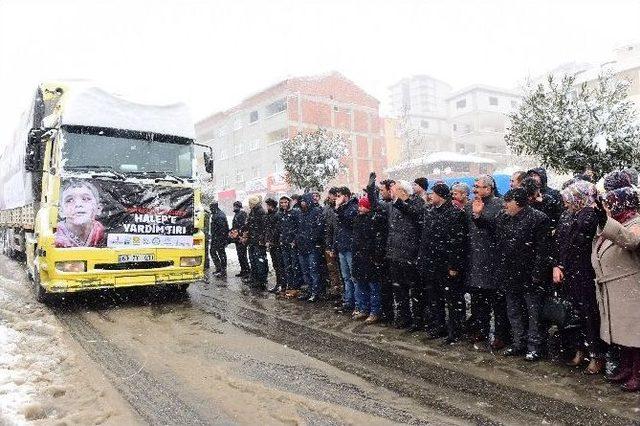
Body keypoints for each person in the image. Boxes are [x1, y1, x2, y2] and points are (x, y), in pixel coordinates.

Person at [473, 188, 551, 361]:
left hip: (530, 274)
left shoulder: (538, 218)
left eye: (507, 202)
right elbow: (490, 226)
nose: (504, 206)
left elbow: (543, 249)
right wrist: (478, 216)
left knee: (533, 314)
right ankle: (518, 343)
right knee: (513, 311)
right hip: (508, 273)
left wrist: (538, 273)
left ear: (518, 203)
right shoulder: (504, 217)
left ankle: (534, 347)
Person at [592, 187, 640, 391]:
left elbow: (632, 241)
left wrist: (607, 222)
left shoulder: (636, 222)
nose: (608, 206)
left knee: (635, 332)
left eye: (611, 203)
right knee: (622, 332)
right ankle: (627, 368)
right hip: (614, 286)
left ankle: (637, 373)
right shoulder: (619, 222)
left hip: (630, 286)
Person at [553, 181, 604, 374]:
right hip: (570, 271)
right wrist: (558, 264)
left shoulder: (590, 215)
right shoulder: (568, 215)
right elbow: (560, 242)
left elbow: (581, 241)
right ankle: (580, 349)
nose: (567, 202)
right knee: (575, 314)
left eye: (570, 198)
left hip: (585, 271)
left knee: (589, 314)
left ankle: (596, 354)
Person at [464, 175, 510, 350]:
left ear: (489, 189)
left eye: (479, 186)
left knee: (498, 304)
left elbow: (497, 229)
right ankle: (481, 330)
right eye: (474, 186)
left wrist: (479, 217)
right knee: (478, 302)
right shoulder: (469, 206)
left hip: (494, 261)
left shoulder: (499, 205)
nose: (475, 189)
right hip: (475, 260)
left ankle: (500, 335)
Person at [418, 183, 468, 343]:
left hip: (446, 265)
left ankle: (455, 331)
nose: (430, 196)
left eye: (432, 194)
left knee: (452, 300)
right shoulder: (431, 212)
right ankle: (438, 327)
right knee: (435, 299)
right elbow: (426, 239)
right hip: (432, 263)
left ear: (440, 195)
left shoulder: (454, 213)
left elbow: (457, 242)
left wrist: (454, 266)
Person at [386, 180, 423, 329]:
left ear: (405, 192)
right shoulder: (394, 205)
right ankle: (403, 317)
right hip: (395, 253)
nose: (394, 193)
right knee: (399, 289)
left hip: (409, 254)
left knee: (414, 289)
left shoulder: (416, 202)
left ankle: (418, 319)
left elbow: (414, 213)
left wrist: (403, 200)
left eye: (397, 191)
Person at [351, 195, 387, 324]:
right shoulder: (358, 219)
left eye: (362, 206)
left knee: (373, 286)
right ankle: (364, 308)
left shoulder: (374, 220)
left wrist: (375, 255)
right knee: (361, 285)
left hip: (370, 258)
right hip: (360, 257)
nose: (359, 208)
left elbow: (377, 240)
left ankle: (375, 311)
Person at [366, 174, 395, 324]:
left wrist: (371, 189)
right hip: (382, 250)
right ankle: (387, 313)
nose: (381, 192)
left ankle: (391, 315)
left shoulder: (392, 206)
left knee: (391, 286)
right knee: (385, 285)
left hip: (390, 251)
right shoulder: (385, 205)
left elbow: (374, 203)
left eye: (383, 190)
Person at [55, 180, 105, 248]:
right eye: (70, 200)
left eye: (86, 199)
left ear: (98, 209)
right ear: (60, 211)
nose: (78, 204)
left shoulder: (101, 232)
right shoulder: (53, 237)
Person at [295, 193, 325, 302]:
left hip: (312, 246)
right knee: (305, 271)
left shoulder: (316, 211)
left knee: (314, 271)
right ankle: (310, 290)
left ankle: (315, 292)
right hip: (302, 246)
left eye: (304, 201)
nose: (303, 203)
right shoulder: (300, 213)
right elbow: (298, 229)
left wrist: (314, 239)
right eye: (301, 201)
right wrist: (298, 239)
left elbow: (319, 228)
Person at [334, 187, 359, 314]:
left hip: (350, 246)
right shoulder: (342, 208)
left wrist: (338, 208)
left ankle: (357, 303)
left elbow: (348, 222)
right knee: (346, 277)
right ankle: (349, 301)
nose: (337, 198)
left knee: (354, 277)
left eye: (339, 195)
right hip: (342, 246)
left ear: (346, 196)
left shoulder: (353, 207)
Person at [278, 196, 303, 298]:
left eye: (285, 202)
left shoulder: (295, 212)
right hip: (284, 243)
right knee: (287, 266)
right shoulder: (281, 214)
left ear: (289, 202)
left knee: (294, 266)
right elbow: (281, 228)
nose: (283, 204)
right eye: (282, 203)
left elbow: (299, 227)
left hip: (292, 243)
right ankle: (290, 285)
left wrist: (294, 240)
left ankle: (296, 287)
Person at [242, 195, 268, 288]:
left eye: (250, 203)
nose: (248, 205)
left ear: (253, 203)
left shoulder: (261, 212)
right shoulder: (252, 212)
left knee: (260, 262)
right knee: (253, 261)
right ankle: (254, 278)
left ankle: (261, 281)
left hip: (258, 242)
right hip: (252, 240)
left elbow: (264, 228)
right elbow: (249, 224)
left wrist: (262, 239)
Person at [322, 188, 342, 301]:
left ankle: (340, 291)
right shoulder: (327, 209)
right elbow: (327, 228)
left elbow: (335, 228)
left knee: (341, 270)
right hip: (330, 242)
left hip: (338, 243)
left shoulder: (339, 208)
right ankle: (336, 290)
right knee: (332, 269)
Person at [264, 198, 284, 293]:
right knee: (276, 265)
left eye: (268, 205)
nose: (267, 207)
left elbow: (276, 229)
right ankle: (279, 283)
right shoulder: (269, 215)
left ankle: (281, 284)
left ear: (271, 206)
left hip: (276, 244)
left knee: (279, 265)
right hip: (273, 243)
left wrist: (271, 240)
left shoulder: (276, 215)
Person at [209, 201, 230, 278]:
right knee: (216, 252)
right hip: (217, 237)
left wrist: (222, 239)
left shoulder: (219, 215)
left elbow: (223, 229)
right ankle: (219, 269)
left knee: (220, 253)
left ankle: (222, 270)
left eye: (211, 207)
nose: (210, 209)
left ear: (214, 207)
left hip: (219, 238)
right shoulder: (217, 214)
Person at [230, 201, 250, 277]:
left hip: (240, 238)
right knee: (240, 255)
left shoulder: (241, 214)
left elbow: (242, 226)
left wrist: (239, 234)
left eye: (235, 206)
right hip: (237, 237)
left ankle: (246, 271)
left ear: (238, 207)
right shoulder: (237, 214)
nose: (234, 208)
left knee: (242, 255)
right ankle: (243, 270)